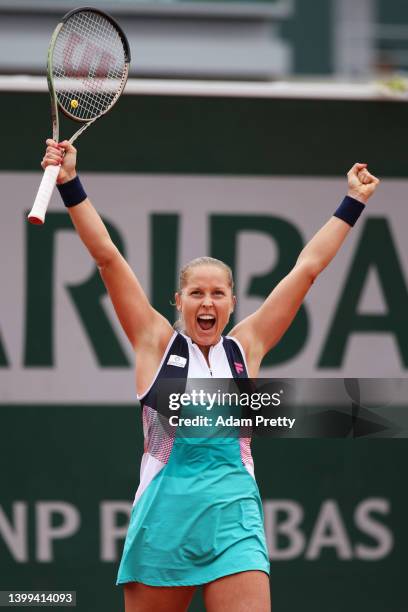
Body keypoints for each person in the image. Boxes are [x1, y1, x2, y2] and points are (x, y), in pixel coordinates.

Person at [42, 139, 380, 612]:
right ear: (178, 302)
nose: (207, 302)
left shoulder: (247, 348)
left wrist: (354, 201)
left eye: (218, 293)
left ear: (232, 302)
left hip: (234, 524)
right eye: (196, 293)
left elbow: (307, 270)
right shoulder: (154, 343)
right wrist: (70, 184)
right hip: (164, 522)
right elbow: (108, 258)